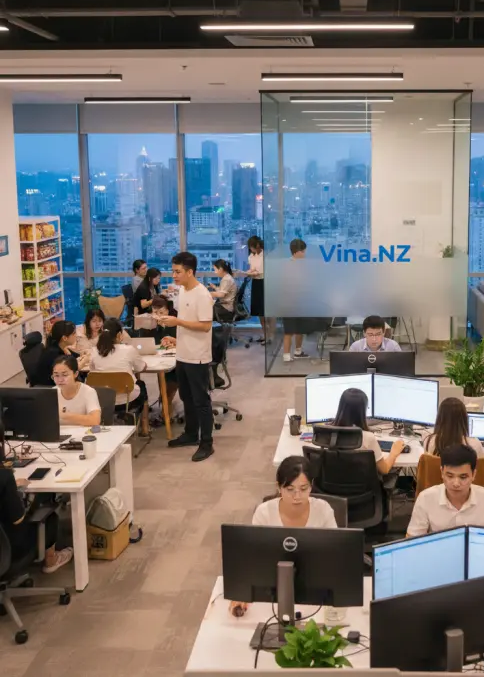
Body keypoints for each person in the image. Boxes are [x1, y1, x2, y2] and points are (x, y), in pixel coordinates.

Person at [229, 456, 337, 617]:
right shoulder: (264, 512)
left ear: (311, 485)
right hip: (272, 589)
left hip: (317, 588)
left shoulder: (323, 510)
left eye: (303, 489)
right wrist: (242, 590)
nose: (297, 496)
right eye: (290, 489)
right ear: (279, 487)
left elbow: (335, 554)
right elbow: (253, 557)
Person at [156, 252, 214, 463]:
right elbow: (188, 322)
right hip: (182, 354)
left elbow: (205, 326)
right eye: (173, 271)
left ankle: (206, 443)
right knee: (186, 397)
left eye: (178, 272)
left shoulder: (202, 295)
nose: (174, 275)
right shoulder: (182, 291)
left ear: (190, 272)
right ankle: (190, 433)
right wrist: (176, 338)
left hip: (197, 356)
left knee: (201, 401)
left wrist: (178, 323)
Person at [406, 445, 484, 537]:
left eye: (463, 477)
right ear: (442, 472)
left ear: (473, 475)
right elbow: (412, 540)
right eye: (450, 476)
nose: (456, 484)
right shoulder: (425, 498)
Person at [0, 468, 73, 574]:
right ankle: (51, 560)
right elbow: (18, 519)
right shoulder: (4, 476)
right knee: (49, 515)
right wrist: (16, 489)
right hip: (9, 552)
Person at [89, 318, 148, 431]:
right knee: (141, 384)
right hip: (127, 400)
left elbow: (92, 371)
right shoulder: (128, 350)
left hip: (103, 400)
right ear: (119, 335)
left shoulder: (94, 351)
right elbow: (141, 368)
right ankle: (145, 428)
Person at [333, 388, 404, 476]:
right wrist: (393, 453)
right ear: (361, 411)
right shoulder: (367, 437)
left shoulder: (326, 434)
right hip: (361, 484)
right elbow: (384, 469)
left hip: (331, 483)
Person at [282, 238, 311, 362]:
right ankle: (286, 355)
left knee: (300, 328)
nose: (304, 254)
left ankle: (298, 351)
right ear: (297, 251)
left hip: (301, 301)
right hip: (289, 302)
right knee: (289, 330)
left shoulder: (303, 265)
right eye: (303, 251)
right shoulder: (288, 265)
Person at [52, 355, 101, 427]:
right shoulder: (52, 393)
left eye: (65, 375)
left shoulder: (88, 392)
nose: (60, 380)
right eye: (56, 375)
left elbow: (95, 420)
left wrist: (64, 415)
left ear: (75, 374)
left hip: (82, 432)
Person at [151, 295, 179, 416]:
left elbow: (184, 341)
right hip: (160, 357)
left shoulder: (174, 322)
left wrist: (173, 342)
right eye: (155, 312)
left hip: (177, 358)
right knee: (161, 371)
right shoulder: (152, 324)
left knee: (170, 374)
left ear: (168, 311)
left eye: (161, 312)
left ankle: (166, 402)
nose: (158, 316)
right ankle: (165, 401)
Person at [34, 320, 81, 387]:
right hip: (52, 388)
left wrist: (80, 355)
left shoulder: (59, 345)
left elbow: (76, 356)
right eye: (74, 333)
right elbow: (72, 369)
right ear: (64, 338)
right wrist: (84, 361)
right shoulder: (53, 353)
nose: (76, 335)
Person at [244, 235, 269, 344]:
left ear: (258, 245)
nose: (251, 249)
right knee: (259, 311)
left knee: (265, 311)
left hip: (265, 283)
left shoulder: (265, 255)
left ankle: (269, 335)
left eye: (252, 246)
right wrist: (249, 272)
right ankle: (265, 334)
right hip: (256, 283)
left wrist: (254, 272)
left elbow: (263, 271)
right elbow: (253, 269)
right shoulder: (251, 256)